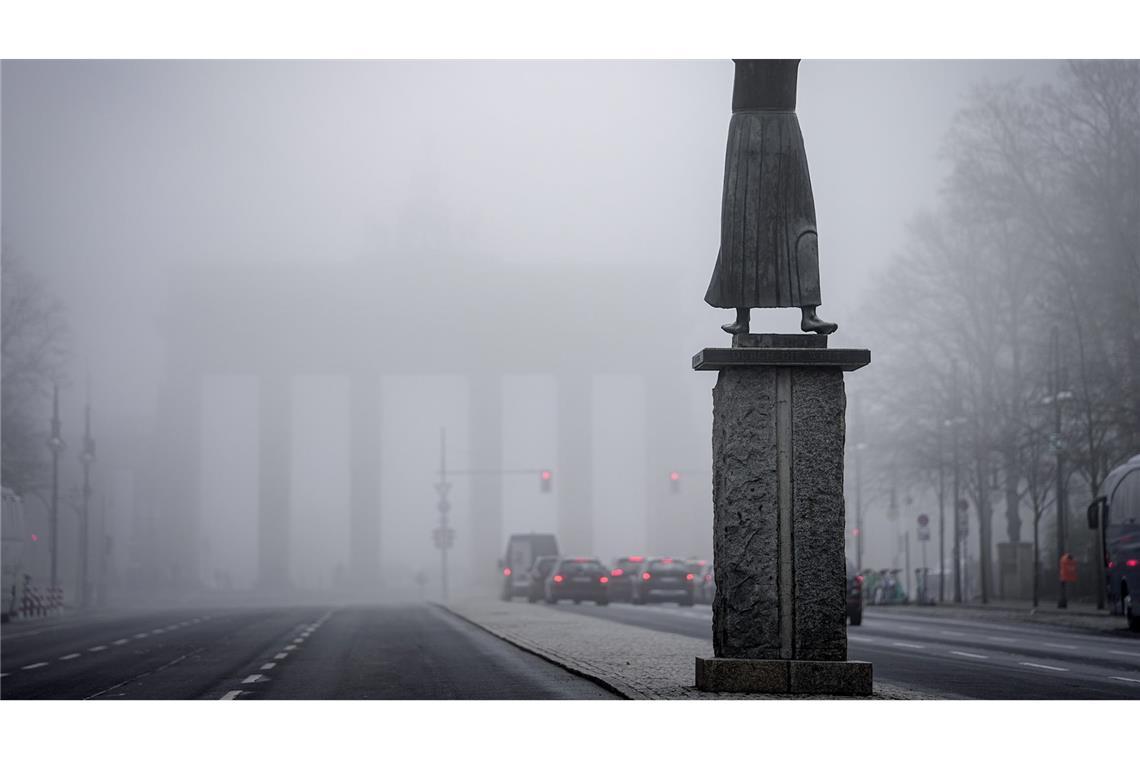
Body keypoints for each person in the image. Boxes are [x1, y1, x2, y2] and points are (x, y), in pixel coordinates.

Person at [705, 59, 837, 336]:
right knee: (741, 224)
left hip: (784, 123)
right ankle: (742, 315)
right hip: (746, 126)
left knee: (801, 221)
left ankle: (809, 310)